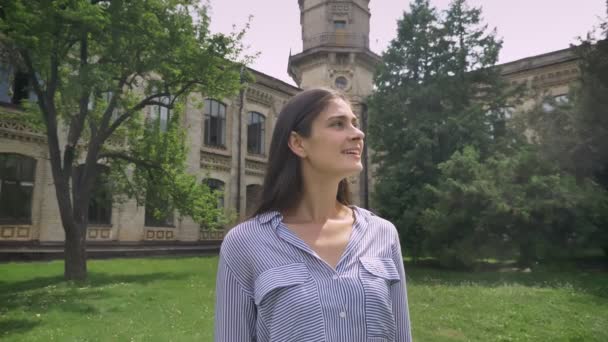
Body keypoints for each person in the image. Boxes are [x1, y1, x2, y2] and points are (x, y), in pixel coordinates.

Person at [214, 88, 412, 342]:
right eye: (338, 124)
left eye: (355, 124)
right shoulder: (245, 243)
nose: (358, 134)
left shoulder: (383, 233)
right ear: (298, 143)